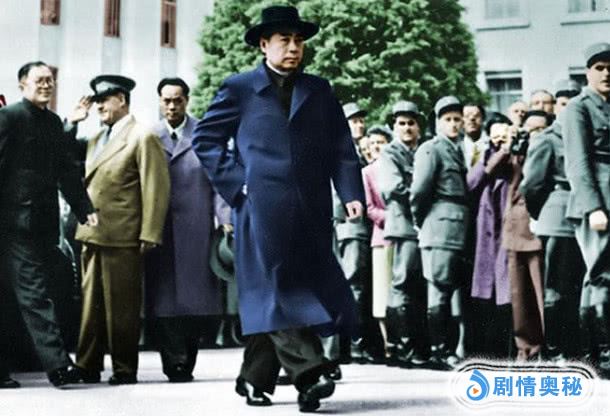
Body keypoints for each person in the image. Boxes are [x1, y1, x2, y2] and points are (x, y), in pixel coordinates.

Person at [191, 6, 364, 412]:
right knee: (279, 289)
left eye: (298, 40)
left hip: (310, 210)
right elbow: (206, 140)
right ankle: (311, 372)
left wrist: (350, 192)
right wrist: (238, 183)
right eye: (284, 40)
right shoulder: (239, 88)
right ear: (263, 44)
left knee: (282, 291)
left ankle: (254, 380)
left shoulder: (319, 89)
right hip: (259, 211)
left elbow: (341, 146)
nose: (293, 47)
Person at [0, 61, 97, 388]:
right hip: (13, 223)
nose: (46, 85)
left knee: (13, 297)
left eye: (50, 80)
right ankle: (58, 365)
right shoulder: (9, 117)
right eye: (39, 80)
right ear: (22, 84)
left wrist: (84, 208)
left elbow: (66, 170)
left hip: (42, 225)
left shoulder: (53, 122)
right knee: (34, 293)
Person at [68, 75, 170, 385]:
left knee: (121, 307)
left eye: (104, 100)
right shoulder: (97, 138)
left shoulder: (142, 136)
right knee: (90, 305)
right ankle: (87, 364)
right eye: (96, 100)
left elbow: (155, 186)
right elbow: (63, 154)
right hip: (93, 232)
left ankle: (124, 368)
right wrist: (72, 124)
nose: (98, 106)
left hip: (123, 235)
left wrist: (150, 232)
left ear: (122, 100)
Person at [144, 77, 232, 383]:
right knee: (164, 298)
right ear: (159, 102)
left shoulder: (204, 134)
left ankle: (188, 360)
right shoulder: (148, 136)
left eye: (177, 100)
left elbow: (219, 181)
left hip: (196, 228)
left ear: (186, 101)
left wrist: (225, 218)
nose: (172, 106)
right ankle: (173, 363)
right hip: (159, 228)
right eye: (166, 100)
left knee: (195, 298)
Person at [520, 80, 586, 362]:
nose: (569, 109)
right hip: (559, 217)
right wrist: (543, 213)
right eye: (563, 103)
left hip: (586, 216)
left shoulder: (589, 135)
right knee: (556, 289)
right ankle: (554, 350)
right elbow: (532, 185)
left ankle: (577, 349)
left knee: (580, 288)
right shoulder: (548, 138)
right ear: (555, 108)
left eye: (574, 103)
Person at [410, 96, 470, 370]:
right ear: (437, 122)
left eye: (458, 119)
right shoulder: (431, 149)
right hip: (440, 227)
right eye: (448, 119)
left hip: (457, 227)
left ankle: (448, 350)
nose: (454, 124)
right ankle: (439, 351)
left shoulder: (457, 150)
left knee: (450, 289)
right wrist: (422, 221)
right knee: (439, 290)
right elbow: (419, 191)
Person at [563, 42, 610, 378]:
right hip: (597, 201)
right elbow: (578, 162)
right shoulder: (578, 108)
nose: (606, 74)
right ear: (587, 73)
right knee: (602, 275)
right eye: (600, 68)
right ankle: (605, 353)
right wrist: (594, 206)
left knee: (599, 279)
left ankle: (592, 352)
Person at [376, 100, 427, 368]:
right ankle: (400, 348)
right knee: (402, 282)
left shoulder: (423, 150)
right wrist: (425, 197)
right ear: (394, 127)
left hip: (422, 226)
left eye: (411, 123)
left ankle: (415, 346)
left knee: (416, 285)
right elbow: (393, 188)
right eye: (402, 123)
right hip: (404, 224)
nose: (407, 128)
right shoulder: (390, 153)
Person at [502, 110, 551, 361]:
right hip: (514, 229)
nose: (534, 135)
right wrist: (509, 147)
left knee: (542, 293)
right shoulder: (516, 154)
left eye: (539, 130)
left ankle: (548, 346)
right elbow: (491, 170)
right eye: (529, 130)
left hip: (538, 225)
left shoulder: (551, 149)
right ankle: (525, 348)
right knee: (519, 295)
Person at [466, 113, 514, 358]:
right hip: (486, 236)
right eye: (495, 135)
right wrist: (493, 155)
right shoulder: (484, 158)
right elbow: (471, 183)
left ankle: (507, 352)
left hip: (508, 232)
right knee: (487, 294)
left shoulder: (516, 158)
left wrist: (508, 151)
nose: (499, 140)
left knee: (508, 294)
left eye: (504, 135)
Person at [361, 125, 393, 360]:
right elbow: (369, 207)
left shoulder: (398, 167)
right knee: (382, 292)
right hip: (381, 236)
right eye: (372, 144)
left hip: (405, 236)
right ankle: (387, 342)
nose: (376, 147)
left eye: (380, 142)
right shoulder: (367, 172)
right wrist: (392, 218)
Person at [461, 104, 488, 169]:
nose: (472, 118)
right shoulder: (457, 147)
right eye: (467, 116)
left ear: (483, 119)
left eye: (476, 115)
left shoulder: (492, 143)